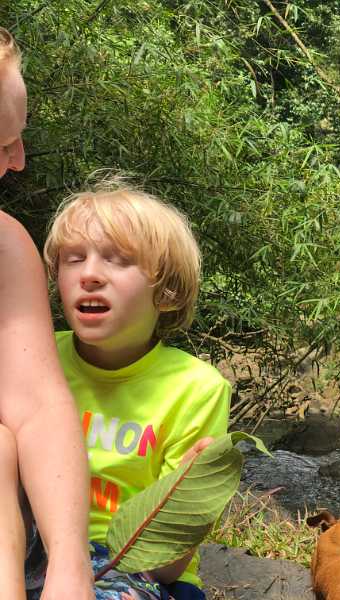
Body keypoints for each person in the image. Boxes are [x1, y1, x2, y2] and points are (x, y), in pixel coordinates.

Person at [41, 178, 231, 600]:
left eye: (118, 260)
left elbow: (165, 566)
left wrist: (187, 494)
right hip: (35, 544)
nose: (90, 275)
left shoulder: (195, 388)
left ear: (167, 292)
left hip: (134, 567)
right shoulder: (36, 355)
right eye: (74, 259)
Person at [0, 26, 94, 600]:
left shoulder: (6, 247)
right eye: (1, 144)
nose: (18, 162)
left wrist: (69, 561)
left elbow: (37, 407)